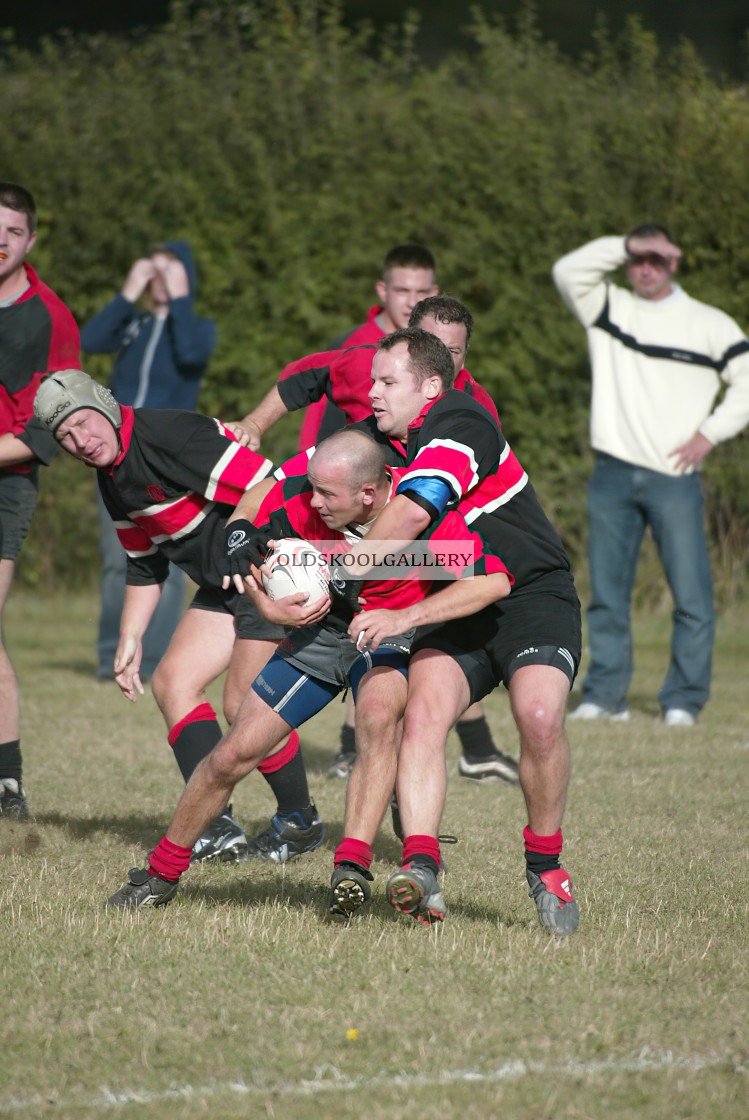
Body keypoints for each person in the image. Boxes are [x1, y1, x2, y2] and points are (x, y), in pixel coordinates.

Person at [102, 427, 511, 911]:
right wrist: (268, 607)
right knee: (234, 752)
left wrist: (403, 617)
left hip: (393, 638)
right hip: (322, 635)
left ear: (367, 493)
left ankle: (351, 866)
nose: (312, 500)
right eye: (312, 488)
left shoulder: (423, 515)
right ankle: (160, 872)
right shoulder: (304, 504)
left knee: (378, 720)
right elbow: (252, 543)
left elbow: (493, 582)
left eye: (325, 493)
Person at [324, 329, 582, 935]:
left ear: (430, 387)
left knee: (540, 719)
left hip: (531, 595)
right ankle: (422, 867)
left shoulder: (460, 421)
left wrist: (345, 573)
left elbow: (416, 510)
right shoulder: (390, 437)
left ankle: (545, 866)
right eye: (373, 382)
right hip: (459, 602)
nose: (374, 393)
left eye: (388, 382)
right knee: (423, 717)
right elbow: (315, 473)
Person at [33, 369, 323, 863]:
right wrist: (130, 638)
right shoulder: (112, 475)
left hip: (266, 570)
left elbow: (269, 482)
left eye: (83, 423)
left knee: (244, 705)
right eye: (66, 437)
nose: (81, 441)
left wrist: (259, 557)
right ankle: (215, 825)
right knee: (173, 683)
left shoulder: (167, 434)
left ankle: (298, 822)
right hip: (224, 584)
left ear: (104, 404)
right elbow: (145, 561)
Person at [231, 294, 519, 787]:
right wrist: (239, 525)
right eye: (430, 345)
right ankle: (305, 812)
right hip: (343, 571)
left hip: (429, 581)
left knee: (400, 718)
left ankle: (417, 838)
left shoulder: (474, 417)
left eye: (454, 351)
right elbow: (304, 391)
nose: (444, 360)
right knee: (242, 707)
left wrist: (372, 569)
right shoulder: (372, 409)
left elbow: (468, 537)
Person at [552, 225, 749, 726]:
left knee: (692, 597)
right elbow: (565, 271)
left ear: (673, 264)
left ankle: (683, 701)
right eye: (638, 259)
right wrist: (622, 245)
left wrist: (711, 432)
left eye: (656, 260)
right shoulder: (609, 308)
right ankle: (605, 696)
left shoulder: (709, 324)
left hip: (675, 476)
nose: (645, 269)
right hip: (612, 471)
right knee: (607, 597)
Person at [81, 242, 216, 680]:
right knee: (117, 558)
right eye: (154, 273)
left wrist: (180, 299)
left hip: (166, 459)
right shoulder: (135, 325)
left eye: (170, 272)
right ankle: (111, 659)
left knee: (169, 565)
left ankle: (154, 659)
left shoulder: (196, 328)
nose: (159, 280)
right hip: (116, 457)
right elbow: (92, 340)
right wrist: (130, 289)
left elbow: (193, 356)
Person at [0, 182, 80, 819]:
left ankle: (6, 782)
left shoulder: (49, 317)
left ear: (30, 241)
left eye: (13, 231)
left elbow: (45, 428)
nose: (0, 240)